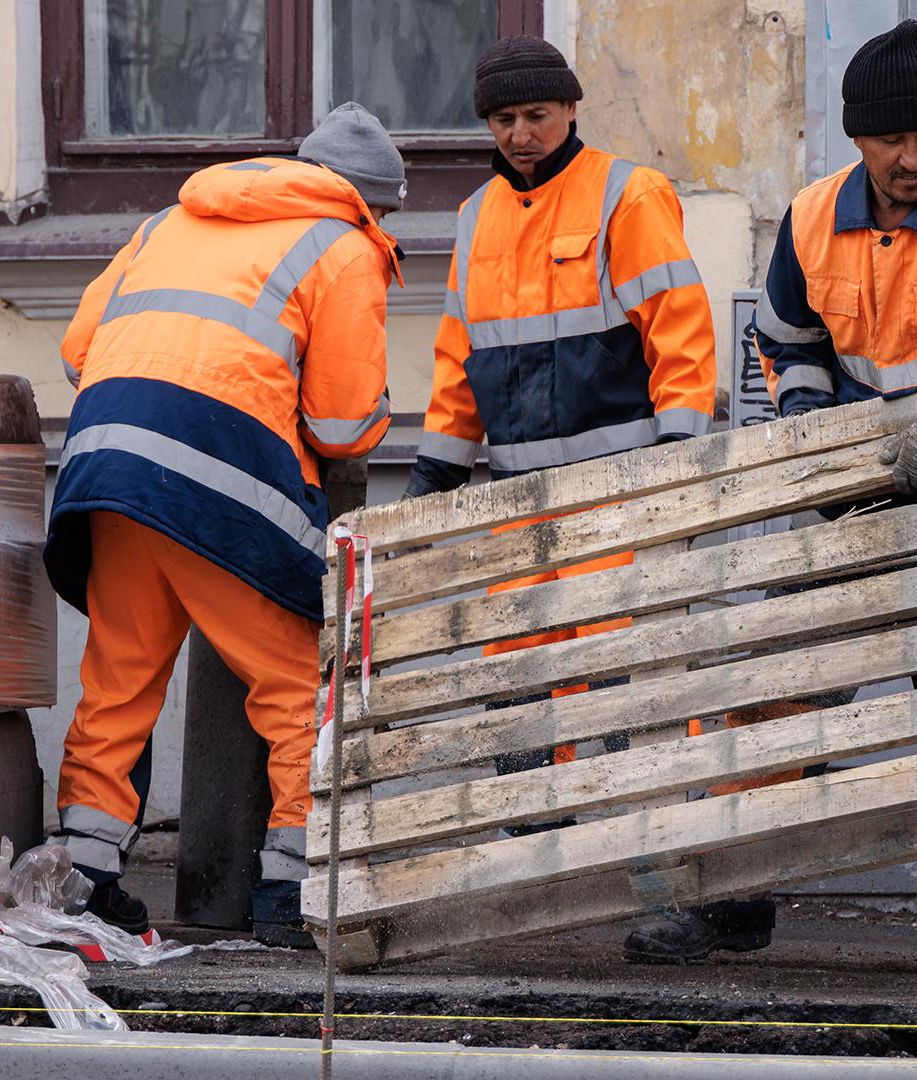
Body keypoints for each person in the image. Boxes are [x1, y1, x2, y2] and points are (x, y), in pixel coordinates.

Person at [621, 19, 917, 978]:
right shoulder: (808, 218)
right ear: (856, 138)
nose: (911, 158)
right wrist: (818, 436)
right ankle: (736, 889)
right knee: (782, 691)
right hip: (848, 509)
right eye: (890, 140)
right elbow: (788, 342)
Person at [45, 102, 402, 947]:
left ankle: (84, 876)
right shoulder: (344, 243)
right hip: (217, 476)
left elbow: (75, 350)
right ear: (371, 201)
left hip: (107, 463)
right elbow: (344, 426)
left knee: (119, 680)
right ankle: (289, 888)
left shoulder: (171, 218)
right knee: (291, 682)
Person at [404, 37, 717, 801]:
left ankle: (633, 825)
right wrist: (436, 473)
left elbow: (679, 330)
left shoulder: (626, 194)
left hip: (617, 493)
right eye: (503, 119)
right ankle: (532, 829)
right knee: (515, 662)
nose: (520, 134)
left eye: (536, 114)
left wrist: (678, 463)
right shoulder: (477, 216)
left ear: (571, 108)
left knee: (614, 658)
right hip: (516, 500)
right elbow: (460, 356)